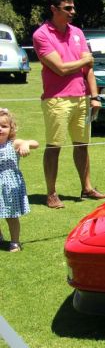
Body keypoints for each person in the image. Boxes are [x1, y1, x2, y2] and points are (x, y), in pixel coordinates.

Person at [32, 0, 105, 209]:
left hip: (82, 98)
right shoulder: (41, 35)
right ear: (54, 9)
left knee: (82, 145)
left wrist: (95, 96)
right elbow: (61, 69)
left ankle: (87, 188)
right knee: (54, 146)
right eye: (68, 8)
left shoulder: (77, 32)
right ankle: (51, 193)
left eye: (73, 7)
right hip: (57, 100)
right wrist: (85, 60)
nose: (72, 12)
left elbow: (89, 69)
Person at [0, 108, 39, 252]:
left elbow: (35, 143)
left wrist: (25, 144)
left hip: (9, 185)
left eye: (4, 126)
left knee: (11, 215)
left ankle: (15, 241)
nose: (0, 129)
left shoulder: (13, 143)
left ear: (11, 129)